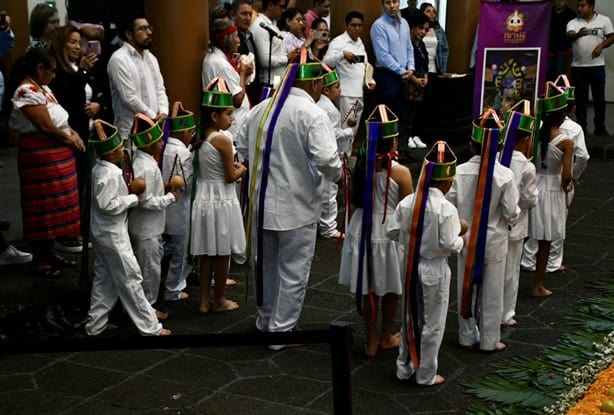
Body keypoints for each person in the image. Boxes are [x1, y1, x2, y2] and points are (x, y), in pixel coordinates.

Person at [236, 58, 341, 350]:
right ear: (315, 83)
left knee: (266, 266)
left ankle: (266, 319)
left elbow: (242, 147)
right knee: (293, 270)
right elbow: (327, 160)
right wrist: (336, 176)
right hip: (297, 204)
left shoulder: (260, 108)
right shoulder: (313, 113)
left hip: (261, 204)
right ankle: (280, 332)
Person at [387, 141, 464, 386]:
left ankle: (404, 367)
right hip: (434, 267)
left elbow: (391, 231)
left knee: (409, 316)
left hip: (409, 263)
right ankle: (426, 373)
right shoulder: (446, 209)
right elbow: (451, 244)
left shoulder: (407, 202)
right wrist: (462, 235)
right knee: (432, 322)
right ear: (447, 182)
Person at [339, 104, 413, 357]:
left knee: (368, 285)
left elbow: (354, 202)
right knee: (392, 287)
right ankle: (385, 336)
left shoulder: (361, 168)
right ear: (392, 142)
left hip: (363, 228)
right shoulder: (401, 173)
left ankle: (370, 340)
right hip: (389, 231)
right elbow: (407, 207)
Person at [85, 119, 171, 337]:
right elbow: (108, 205)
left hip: (102, 233)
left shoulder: (99, 169)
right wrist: (132, 198)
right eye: (118, 149)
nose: (123, 151)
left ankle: (95, 325)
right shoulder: (110, 173)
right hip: (113, 235)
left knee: (104, 279)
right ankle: (150, 328)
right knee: (132, 279)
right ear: (110, 153)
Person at [8, 46, 85, 279]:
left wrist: (73, 134)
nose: (54, 74)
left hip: (57, 154)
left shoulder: (44, 88)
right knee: (42, 207)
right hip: (40, 156)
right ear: (39, 68)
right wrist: (70, 139)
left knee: (56, 207)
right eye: (51, 70)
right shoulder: (25, 91)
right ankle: (41, 258)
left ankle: (50, 253)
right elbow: (47, 126)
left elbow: (60, 119)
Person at [446, 110, 520, 353]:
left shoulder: (459, 172)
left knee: (465, 286)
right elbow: (511, 212)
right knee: (492, 291)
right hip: (495, 240)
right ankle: (489, 340)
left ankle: (466, 335)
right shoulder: (505, 175)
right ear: (499, 147)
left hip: (466, 238)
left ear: (471, 144)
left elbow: (450, 203)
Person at [49, 25, 107, 253]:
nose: (77, 47)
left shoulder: (81, 68)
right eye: (71, 42)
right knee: (72, 186)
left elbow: (99, 92)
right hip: (70, 135)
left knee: (86, 184)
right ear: (61, 45)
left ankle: (81, 229)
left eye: (78, 42)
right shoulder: (60, 72)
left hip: (90, 131)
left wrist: (98, 106)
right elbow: (67, 100)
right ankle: (66, 234)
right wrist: (81, 73)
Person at [521, 78, 588, 274]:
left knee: (534, 224)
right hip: (556, 184)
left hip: (536, 181)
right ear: (570, 110)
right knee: (554, 227)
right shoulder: (571, 133)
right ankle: (552, 263)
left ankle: (527, 259)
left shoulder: (536, 128)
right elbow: (582, 157)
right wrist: (573, 178)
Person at [190, 78, 246, 314]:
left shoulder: (201, 136)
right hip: (221, 198)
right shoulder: (223, 139)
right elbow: (230, 175)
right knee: (222, 253)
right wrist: (243, 168)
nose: (232, 118)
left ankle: (204, 300)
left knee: (206, 254)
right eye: (228, 113)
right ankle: (220, 298)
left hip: (204, 196)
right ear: (215, 116)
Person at [128, 114, 177, 318]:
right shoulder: (146, 167)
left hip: (146, 228)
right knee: (149, 271)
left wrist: (163, 188)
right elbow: (146, 201)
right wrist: (170, 197)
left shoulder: (143, 161)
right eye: (158, 140)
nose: (162, 142)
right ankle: (147, 309)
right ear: (149, 145)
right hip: (147, 229)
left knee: (148, 269)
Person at [528, 85, 573, 298]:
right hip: (552, 189)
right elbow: (566, 175)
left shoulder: (534, 135)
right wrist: (567, 188)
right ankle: (537, 284)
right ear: (562, 116)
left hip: (533, 184)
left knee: (526, 235)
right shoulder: (566, 142)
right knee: (546, 240)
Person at [498, 102, 538, 327]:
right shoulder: (527, 166)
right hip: (517, 221)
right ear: (524, 140)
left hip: (495, 221)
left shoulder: (495, 157)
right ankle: (505, 313)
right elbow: (530, 199)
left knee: (494, 270)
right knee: (511, 270)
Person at [107, 11, 168, 142]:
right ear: (129, 35)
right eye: (142, 29)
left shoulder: (151, 58)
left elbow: (160, 89)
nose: (149, 32)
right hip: (130, 132)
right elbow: (129, 98)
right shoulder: (119, 59)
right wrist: (153, 117)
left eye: (149, 28)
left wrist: (163, 112)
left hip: (154, 129)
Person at [323, 11, 375, 155]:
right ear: (346, 25)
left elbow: (364, 66)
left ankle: (346, 164)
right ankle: (340, 163)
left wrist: (370, 81)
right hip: (345, 94)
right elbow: (326, 62)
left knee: (353, 132)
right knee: (344, 132)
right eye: (353, 25)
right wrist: (342, 54)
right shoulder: (338, 42)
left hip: (359, 93)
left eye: (359, 25)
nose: (357, 28)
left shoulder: (360, 43)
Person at [371, 0, 415, 160]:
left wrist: (411, 68)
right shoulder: (379, 25)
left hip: (403, 76)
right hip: (387, 76)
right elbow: (383, 56)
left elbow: (409, 48)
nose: (392, 6)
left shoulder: (404, 23)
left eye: (395, 1)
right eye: (388, 2)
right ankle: (383, 155)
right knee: (386, 119)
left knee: (399, 117)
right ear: (383, 5)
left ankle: (395, 152)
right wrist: (403, 71)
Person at [161, 102, 195, 302]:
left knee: (164, 248)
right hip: (179, 208)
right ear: (184, 132)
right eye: (191, 131)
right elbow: (188, 184)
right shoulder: (183, 153)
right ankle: (173, 289)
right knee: (180, 252)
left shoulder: (163, 147)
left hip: (161, 208)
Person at [566, 0, 614, 136]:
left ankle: (600, 126)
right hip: (578, 67)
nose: (579, 9)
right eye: (579, 6)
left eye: (583, 6)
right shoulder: (573, 22)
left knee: (599, 98)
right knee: (580, 98)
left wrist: (600, 46)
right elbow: (569, 35)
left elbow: (612, 37)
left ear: (591, 6)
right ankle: (581, 127)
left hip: (597, 66)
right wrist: (577, 34)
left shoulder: (604, 20)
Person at [316, 70, 354, 239]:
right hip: (329, 151)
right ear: (326, 90)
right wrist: (348, 132)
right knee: (329, 191)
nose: (340, 90)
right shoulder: (328, 109)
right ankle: (328, 227)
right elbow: (332, 133)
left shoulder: (322, 105)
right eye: (337, 87)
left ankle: (320, 222)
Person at [202, 12, 253, 139]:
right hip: (233, 127)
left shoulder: (217, 59)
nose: (238, 41)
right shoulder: (220, 63)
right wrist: (242, 72)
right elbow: (237, 99)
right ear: (227, 39)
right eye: (235, 37)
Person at [252, 0, 299, 88]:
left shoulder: (273, 24)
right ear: (270, 5)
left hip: (277, 79)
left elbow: (276, 52)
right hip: (267, 82)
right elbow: (264, 60)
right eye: (281, 6)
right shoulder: (261, 25)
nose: (283, 10)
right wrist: (286, 57)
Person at [406, 13, 430, 150]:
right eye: (420, 28)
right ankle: (407, 136)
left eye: (426, 30)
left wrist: (425, 78)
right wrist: (415, 80)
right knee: (407, 112)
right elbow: (405, 64)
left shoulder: (421, 45)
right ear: (413, 28)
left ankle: (415, 135)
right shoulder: (407, 44)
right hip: (409, 82)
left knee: (417, 113)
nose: (423, 32)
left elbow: (425, 63)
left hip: (421, 83)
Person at [232, 0, 261, 105]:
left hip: (253, 92)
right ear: (233, 15)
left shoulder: (249, 36)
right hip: (239, 91)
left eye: (250, 14)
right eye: (244, 14)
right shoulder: (232, 40)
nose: (248, 18)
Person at [548, 0, 576, 81]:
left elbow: (573, 31)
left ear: (566, 2)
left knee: (559, 72)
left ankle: (557, 91)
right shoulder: (548, 11)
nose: (558, 2)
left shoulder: (571, 14)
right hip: (549, 47)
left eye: (562, 0)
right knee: (546, 71)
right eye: (556, 0)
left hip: (563, 48)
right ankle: (546, 92)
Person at [420, 2, 449, 76]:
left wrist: (443, 69)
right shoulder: (417, 28)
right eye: (428, 11)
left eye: (433, 12)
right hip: (420, 68)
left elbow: (445, 49)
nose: (432, 14)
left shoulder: (438, 29)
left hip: (435, 68)